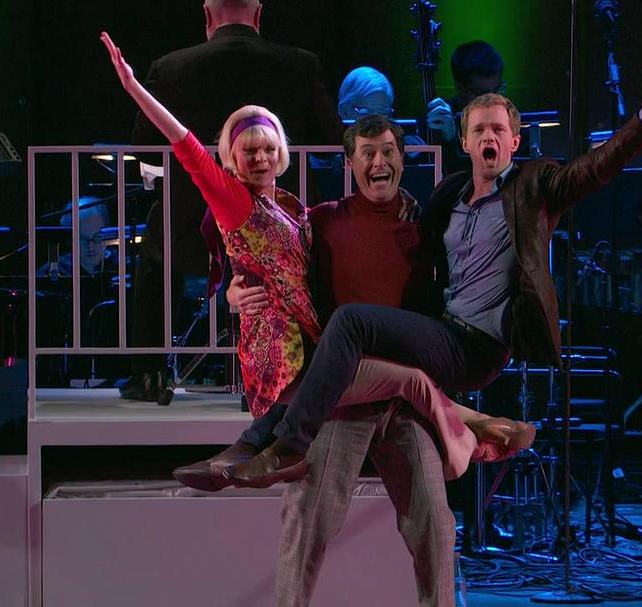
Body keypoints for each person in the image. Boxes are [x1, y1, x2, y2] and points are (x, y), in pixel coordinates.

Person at [226, 51, 642, 489]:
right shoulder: (448, 196)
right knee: (345, 340)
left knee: (352, 323)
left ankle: (289, 445)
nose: (489, 138)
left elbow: (595, 168)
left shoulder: (534, 188)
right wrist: (238, 289)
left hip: (478, 346)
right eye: (480, 130)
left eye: (498, 130)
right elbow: (375, 242)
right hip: (443, 332)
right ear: (466, 141)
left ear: (514, 141)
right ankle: (257, 439)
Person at [101, 32, 532, 491]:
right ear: (231, 158)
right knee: (403, 383)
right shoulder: (250, 204)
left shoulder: (297, 210)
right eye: (249, 151)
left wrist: (233, 283)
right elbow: (187, 149)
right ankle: (277, 448)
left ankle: (481, 428)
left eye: (268, 149)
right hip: (294, 355)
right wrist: (135, 88)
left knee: (409, 384)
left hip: (322, 348)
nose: (261, 158)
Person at [228, 114, 463, 605]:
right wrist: (233, 291)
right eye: (367, 154)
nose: (379, 162)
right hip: (343, 396)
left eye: (388, 151)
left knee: (436, 528)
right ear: (350, 164)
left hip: (403, 401)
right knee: (306, 522)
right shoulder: (322, 221)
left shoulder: (422, 229)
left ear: (403, 159)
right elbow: (267, 261)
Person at [121, 0, 343, 403]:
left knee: (157, 243)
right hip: (283, 231)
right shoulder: (300, 64)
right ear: (259, 16)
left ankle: (148, 372)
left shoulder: (170, 67)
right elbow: (333, 139)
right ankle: (312, 365)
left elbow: (145, 148)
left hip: (193, 231)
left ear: (207, 17)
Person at [425, 40, 507, 174]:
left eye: (497, 90)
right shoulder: (440, 121)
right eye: (482, 94)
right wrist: (450, 139)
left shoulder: (512, 119)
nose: (492, 101)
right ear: (460, 87)